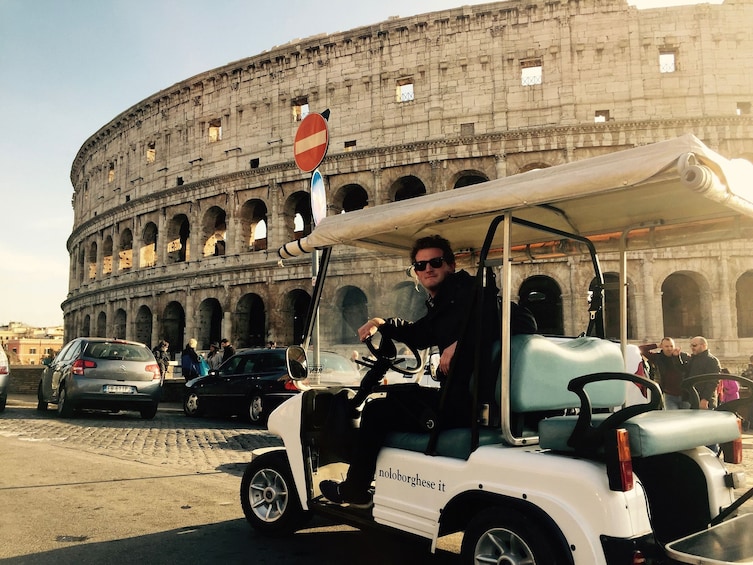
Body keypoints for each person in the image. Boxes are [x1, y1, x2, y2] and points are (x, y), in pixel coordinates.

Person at [319, 235, 533, 505]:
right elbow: (420, 334)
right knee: (401, 394)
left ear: (451, 265)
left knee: (376, 410)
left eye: (435, 262)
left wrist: (461, 344)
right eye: (420, 266)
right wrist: (381, 323)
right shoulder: (444, 303)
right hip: (464, 399)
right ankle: (378, 479)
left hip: (469, 405)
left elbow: (525, 320)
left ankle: (356, 489)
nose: (427, 269)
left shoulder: (468, 291)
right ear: (416, 272)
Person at [639, 337, 690, 409]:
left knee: (687, 418)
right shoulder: (657, 357)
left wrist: (677, 357)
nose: (669, 348)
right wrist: (656, 345)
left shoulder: (683, 356)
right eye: (666, 346)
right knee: (672, 417)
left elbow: (687, 369)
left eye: (671, 346)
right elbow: (641, 349)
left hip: (685, 395)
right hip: (669, 395)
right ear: (662, 347)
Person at [684, 336, 721, 410]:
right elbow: (685, 373)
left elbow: (713, 382)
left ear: (703, 345)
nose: (692, 348)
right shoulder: (693, 359)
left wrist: (705, 399)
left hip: (706, 401)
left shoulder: (712, 360)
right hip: (693, 399)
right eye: (691, 345)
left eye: (694, 345)